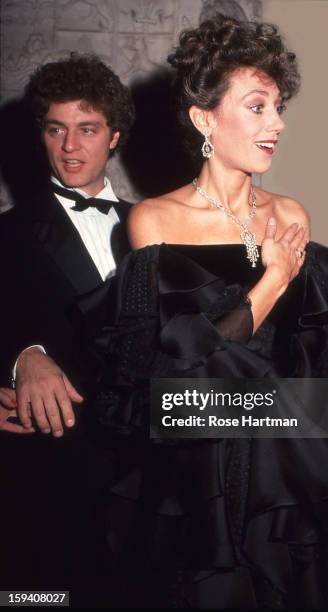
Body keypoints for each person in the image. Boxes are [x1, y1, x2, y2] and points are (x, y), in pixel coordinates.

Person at [94, 15, 328, 609]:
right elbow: (183, 372)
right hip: (201, 465)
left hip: (289, 461)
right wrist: (274, 279)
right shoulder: (153, 221)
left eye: (278, 106)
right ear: (204, 119)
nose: (278, 123)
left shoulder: (291, 216)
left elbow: (312, 362)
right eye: (258, 107)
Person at [0, 53, 134, 601]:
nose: (71, 147)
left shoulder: (157, 228)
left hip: (145, 483)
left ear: (114, 136)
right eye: (57, 130)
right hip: (49, 482)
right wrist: (20, 355)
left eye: (87, 129)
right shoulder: (8, 233)